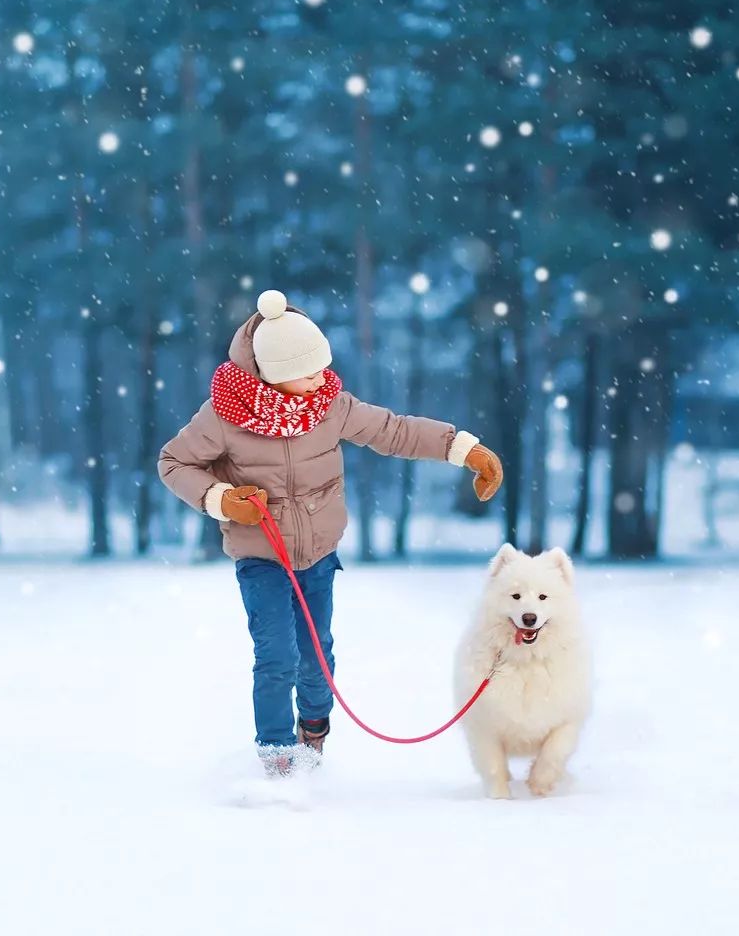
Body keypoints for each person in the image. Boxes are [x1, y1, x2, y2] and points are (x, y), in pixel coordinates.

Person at [158, 289, 503, 777]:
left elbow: (394, 430)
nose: (321, 378)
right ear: (272, 373)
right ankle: (276, 754)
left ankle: (314, 728)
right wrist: (220, 499)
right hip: (261, 557)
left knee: (316, 658)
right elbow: (173, 462)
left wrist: (464, 450)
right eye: (308, 372)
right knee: (276, 656)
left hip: (318, 555)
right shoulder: (223, 416)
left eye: (323, 367)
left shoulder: (329, 406)